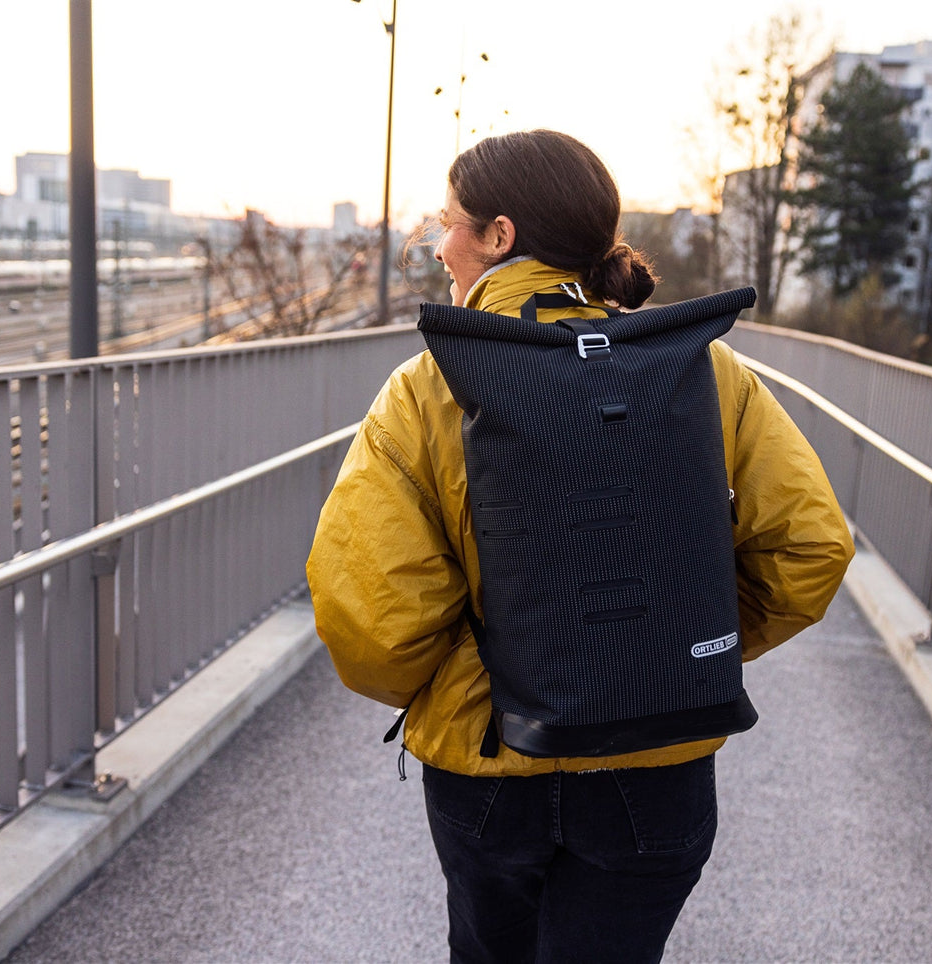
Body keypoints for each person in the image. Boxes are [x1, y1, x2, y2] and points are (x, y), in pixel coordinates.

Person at [306, 129, 853, 964]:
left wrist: (451, 687)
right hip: (658, 762)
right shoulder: (703, 369)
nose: (440, 246)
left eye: (449, 225)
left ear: (498, 237)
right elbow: (810, 545)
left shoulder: (427, 387)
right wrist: (677, 649)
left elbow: (371, 612)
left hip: (488, 759)